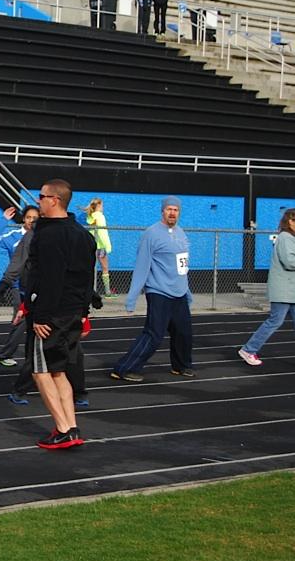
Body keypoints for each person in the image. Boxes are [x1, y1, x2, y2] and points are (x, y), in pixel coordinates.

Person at [23, 179, 95, 449]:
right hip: (73, 312)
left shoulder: (51, 235)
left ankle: (63, 428)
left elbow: (51, 278)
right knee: (59, 370)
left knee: (41, 371)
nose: (37, 200)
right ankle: (71, 427)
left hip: (52, 314)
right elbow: (87, 278)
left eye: (41, 196)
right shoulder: (82, 234)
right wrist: (84, 312)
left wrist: (40, 316)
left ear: (54, 200)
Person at [111, 196, 193, 383]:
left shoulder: (181, 233)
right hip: (159, 292)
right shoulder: (151, 233)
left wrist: (187, 291)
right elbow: (141, 267)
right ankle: (124, 368)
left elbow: (183, 266)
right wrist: (132, 298)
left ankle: (181, 366)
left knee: (184, 332)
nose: (172, 213)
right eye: (169, 209)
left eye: (176, 210)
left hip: (179, 293)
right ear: (162, 211)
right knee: (154, 334)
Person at [238, 209, 295, 366]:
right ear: (290, 221)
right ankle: (248, 349)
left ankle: (249, 349)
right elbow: (289, 262)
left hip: (292, 290)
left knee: (275, 321)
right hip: (284, 290)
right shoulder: (285, 238)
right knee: (275, 321)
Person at [0, 205, 39, 367]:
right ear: (23, 219)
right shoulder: (14, 236)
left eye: (35, 218)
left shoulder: (41, 237)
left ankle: (29, 355)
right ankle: (6, 354)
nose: (31, 220)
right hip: (18, 285)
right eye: (28, 217)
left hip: (36, 286)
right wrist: (4, 220)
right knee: (21, 321)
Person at [84, 198, 114, 297]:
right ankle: (107, 292)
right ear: (99, 206)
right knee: (105, 268)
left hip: (92, 246)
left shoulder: (90, 217)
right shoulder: (100, 217)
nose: (103, 207)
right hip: (100, 246)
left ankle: (89, 290)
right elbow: (102, 232)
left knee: (91, 268)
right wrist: (107, 246)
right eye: (102, 205)